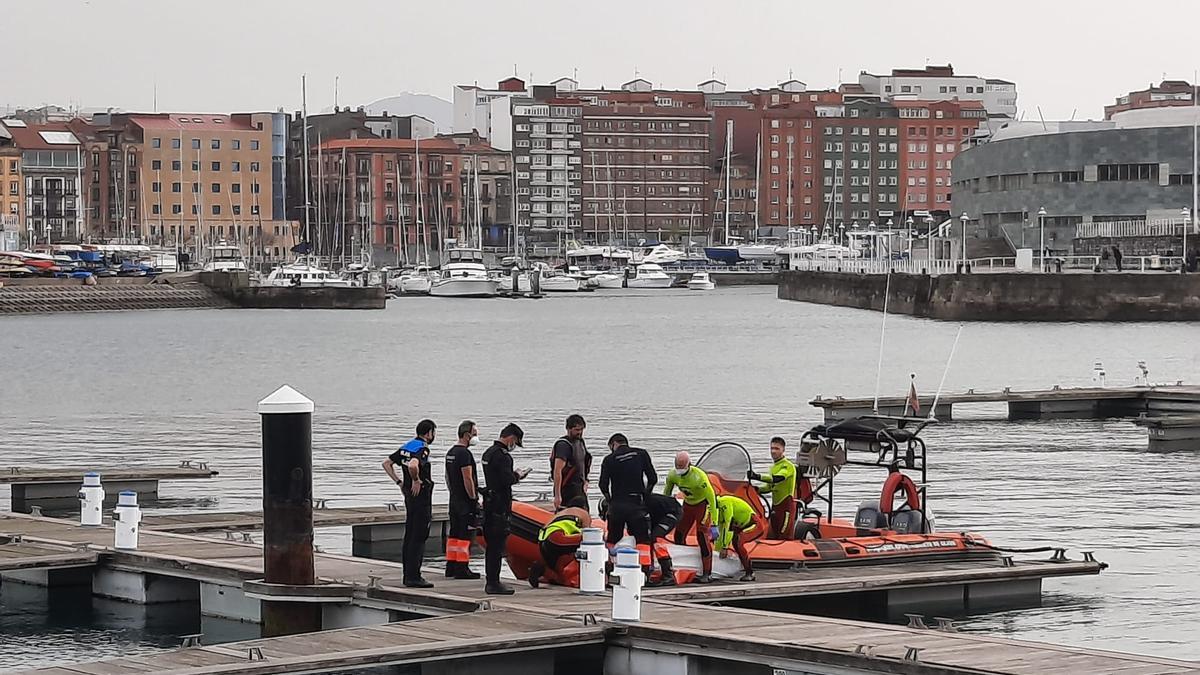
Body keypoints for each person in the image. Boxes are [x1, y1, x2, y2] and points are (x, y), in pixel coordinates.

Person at [383, 419, 437, 588]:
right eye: (434, 432)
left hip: (409, 496)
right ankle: (415, 576)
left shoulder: (407, 446)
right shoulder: (422, 448)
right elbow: (414, 465)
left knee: (410, 534)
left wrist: (400, 482)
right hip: (420, 497)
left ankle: (408, 574)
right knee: (420, 535)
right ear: (429, 433)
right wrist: (416, 480)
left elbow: (386, 463)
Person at [598, 433, 657, 577]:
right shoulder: (641, 454)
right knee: (642, 539)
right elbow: (653, 478)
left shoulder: (609, 459)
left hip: (617, 505)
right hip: (636, 503)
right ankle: (644, 572)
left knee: (613, 538)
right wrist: (646, 495)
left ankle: (609, 570)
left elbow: (603, 485)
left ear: (613, 445)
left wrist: (610, 500)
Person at [481, 423, 530, 595]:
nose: (514, 446)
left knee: (491, 546)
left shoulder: (488, 453)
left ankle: (491, 580)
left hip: (489, 503)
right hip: (500, 505)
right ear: (511, 438)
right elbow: (505, 479)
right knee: (497, 545)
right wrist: (517, 476)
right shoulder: (503, 457)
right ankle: (493, 582)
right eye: (515, 442)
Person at [662, 451, 718, 583]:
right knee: (679, 534)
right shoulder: (672, 475)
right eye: (678, 467)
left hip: (702, 505)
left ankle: (707, 573)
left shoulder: (699, 477)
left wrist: (714, 523)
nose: (680, 470)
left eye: (682, 467)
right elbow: (667, 494)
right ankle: (681, 564)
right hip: (688, 504)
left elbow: (712, 499)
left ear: (689, 464)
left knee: (702, 537)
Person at [444, 420, 481, 580]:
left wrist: (453, 492)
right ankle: (462, 567)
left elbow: (447, 477)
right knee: (465, 536)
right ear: (467, 435)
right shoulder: (465, 454)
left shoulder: (450, 452)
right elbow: (468, 478)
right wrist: (473, 498)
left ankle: (450, 566)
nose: (476, 437)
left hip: (454, 499)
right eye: (474, 434)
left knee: (454, 534)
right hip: (465, 502)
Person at [527, 506, 591, 588]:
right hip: (559, 537)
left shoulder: (559, 515)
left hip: (544, 542)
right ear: (585, 507)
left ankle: (542, 569)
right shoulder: (583, 513)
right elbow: (588, 534)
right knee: (593, 541)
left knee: (560, 578)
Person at [748, 437, 798, 540]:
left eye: (776, 449)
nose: (773, 451)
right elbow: (769, 487)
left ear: (783, 450)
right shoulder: (773, 467)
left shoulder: (787, 466)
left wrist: (757, 476)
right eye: (771, 448)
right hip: (775, 507)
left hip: (786, 507)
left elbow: (777, 479)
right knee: (772, 534)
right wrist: (755, 489)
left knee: (784, 535)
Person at [714, 494, 760, 582]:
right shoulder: (715, 510)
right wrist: (717, 549)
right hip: (739, 526)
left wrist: (724, 547)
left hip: (753, 524)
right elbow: (720, 529)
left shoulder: (724, 503)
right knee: (734, 542)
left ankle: (750, 572)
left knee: (738, 542)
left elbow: (728, 526)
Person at [551, 414, 591, 511]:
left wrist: (586, 481)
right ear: (568, 429)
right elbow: (557, 471)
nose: (580, 433)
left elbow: (583, 464)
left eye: (582, 430)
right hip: (567, 489)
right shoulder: (563, 445)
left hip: (579, 487)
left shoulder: (580, 442)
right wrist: (557, 495)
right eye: (577, 430)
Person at [645, 492, 681, 586]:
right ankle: (647, 573)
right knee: (646, 539)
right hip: (658, 515)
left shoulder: (637, 505)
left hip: (672, 512)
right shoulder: (634, 504)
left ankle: (668, 575)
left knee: (656, 538)